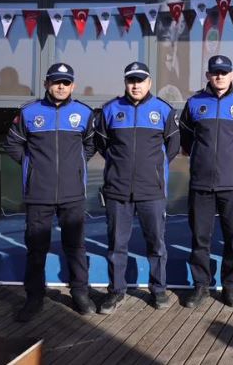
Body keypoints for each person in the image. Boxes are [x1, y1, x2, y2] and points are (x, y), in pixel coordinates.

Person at [3, 63, 97, 321]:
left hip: (72, 193)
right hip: (38, 194)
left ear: (72, 86)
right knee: (36, 248)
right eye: (56, 82)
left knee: (75, 246)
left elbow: (90, 145)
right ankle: (34, 297)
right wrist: (33, 168)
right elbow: (13, 144)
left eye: (66, 82)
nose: (61, 86)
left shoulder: (84, 113)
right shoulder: (29, 112)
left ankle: (80, 293)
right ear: (46, 84)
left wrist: (75, 168)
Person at [95, 62, 180, 313]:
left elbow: (173, 146)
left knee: (156, 244)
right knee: (116, 245)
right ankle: (116, 291)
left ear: (149, 83)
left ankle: (159, 290)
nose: (135, 85)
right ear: (125, 82)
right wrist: (118, 166)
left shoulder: (163, 110)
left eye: (140, 80)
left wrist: (153, 169)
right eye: (131, 80)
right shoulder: (110, 109)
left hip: (151, 190)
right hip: (117, 190)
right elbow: (102, 144)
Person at [179, 55, 233, 308]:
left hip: (232, 184)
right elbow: (185, 141)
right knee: (200, 238)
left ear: (232, 75)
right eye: (215, 72)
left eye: (224, 72)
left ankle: (229, 286)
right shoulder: (194, 103)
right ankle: (201, 286)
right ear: (208, 75)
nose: (219, 76)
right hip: (201, 183)